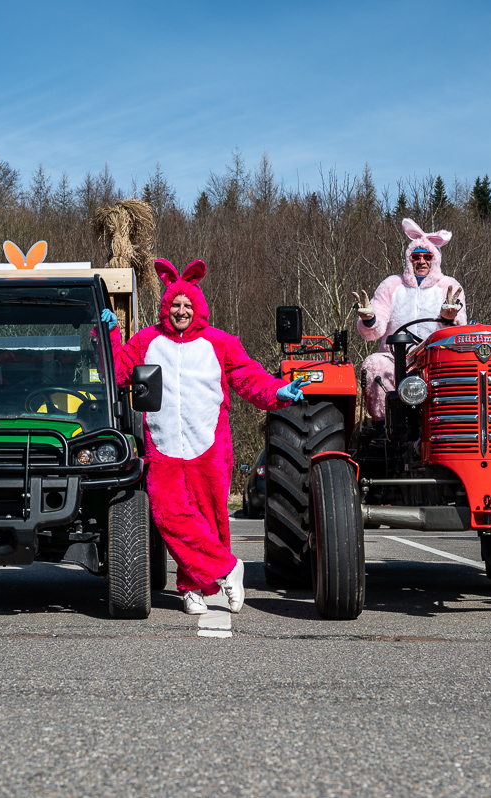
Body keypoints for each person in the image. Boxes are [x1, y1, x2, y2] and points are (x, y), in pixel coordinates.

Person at [103, 258, 308, 615]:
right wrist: (110, 334)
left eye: (187, 305)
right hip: (163, 447)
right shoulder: (146, 341)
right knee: (168, 515)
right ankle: (228, 569)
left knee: (209, 520)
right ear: (166, 306)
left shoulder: (221, 342)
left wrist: (278, 392)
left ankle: (196, 587)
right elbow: (120, 371)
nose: (181, 311)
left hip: (209, 447)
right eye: (175, 305)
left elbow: (248, 377)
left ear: (198, 307)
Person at [352, 218, 465, 421]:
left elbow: (460, 330)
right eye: (416, 256)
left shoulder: (449, 286)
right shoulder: (392, 285)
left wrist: (450, 319)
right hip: (396, 358)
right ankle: (385, 426)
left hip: (435, 359)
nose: (421, 261)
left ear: (435, 258)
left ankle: (445, 423)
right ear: (409, 258)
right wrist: (369, 319)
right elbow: (375, 331)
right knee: (374, 364)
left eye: (427, 256)